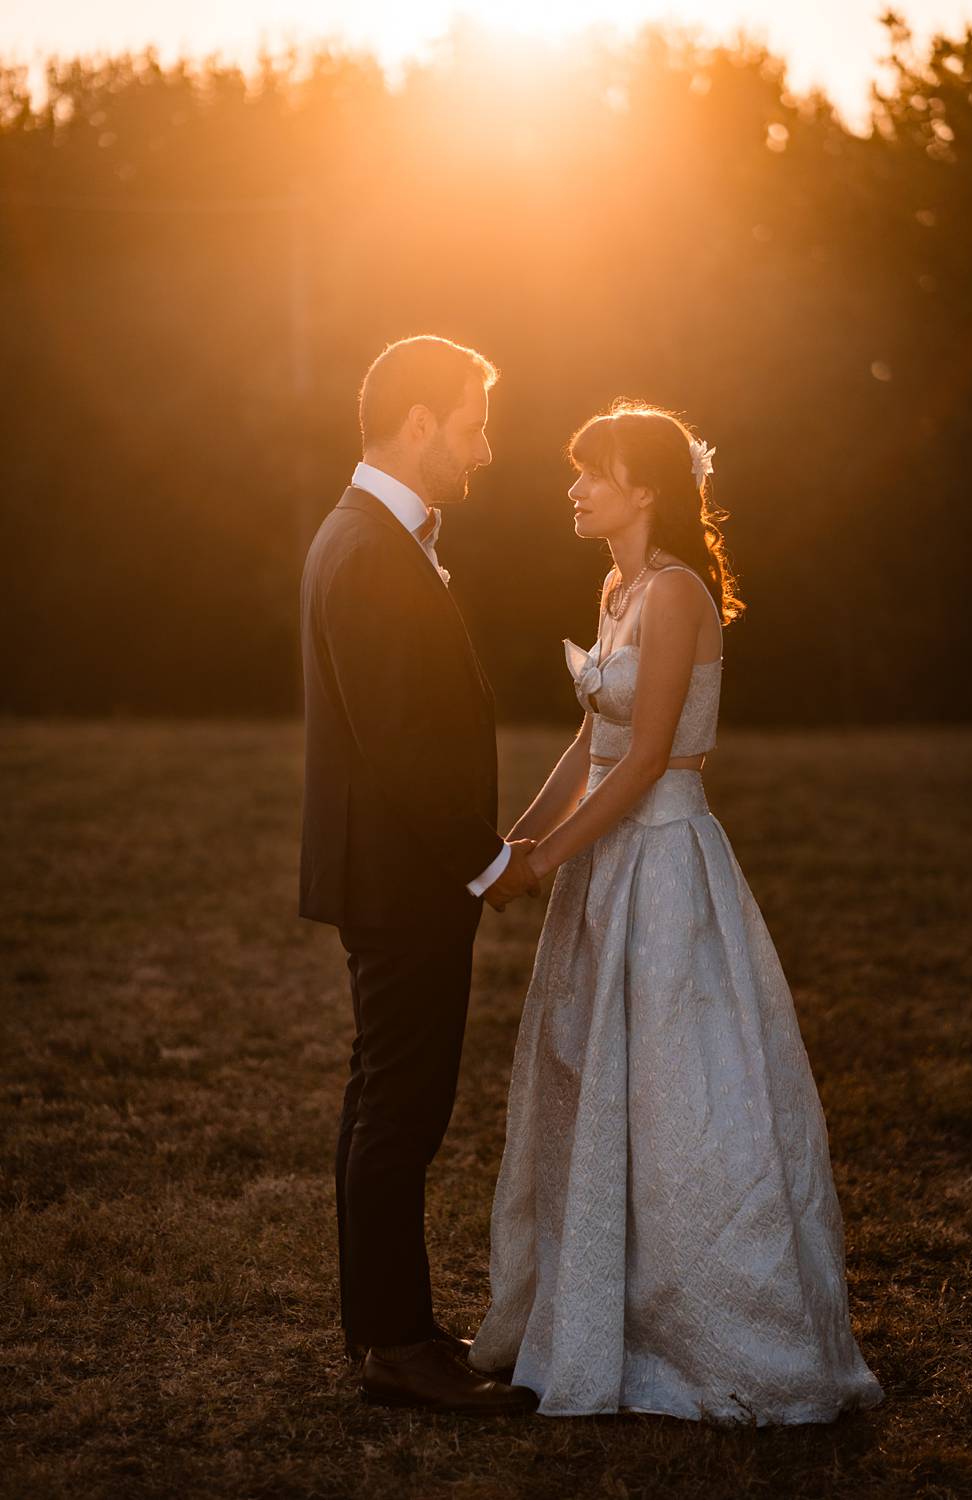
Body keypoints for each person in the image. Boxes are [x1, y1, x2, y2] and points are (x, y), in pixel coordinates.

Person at [469, 400, 884, 1424]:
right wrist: (513, 845)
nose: (572, 488)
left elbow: (649, 758)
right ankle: (594, 1311)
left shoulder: (677, 592)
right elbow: (589, 745)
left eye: (591, 471)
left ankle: (713, 1327)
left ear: (644, 486)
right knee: (587, 1079)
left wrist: (548, 859)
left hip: (660, 858)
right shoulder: (613, 585)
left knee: (672, 1083)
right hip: (598, 868)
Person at [299, 335, 538, 1415]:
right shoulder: (364, 549)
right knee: (401, 1106)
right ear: (420, 421)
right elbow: (396, 740)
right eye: (473, 425)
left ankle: (386, 1329)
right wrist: (488, 861)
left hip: (394, 876)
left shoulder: (372, 537)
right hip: (402, 882)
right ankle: (393, 1346)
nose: (482, 451)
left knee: (386, 1101)